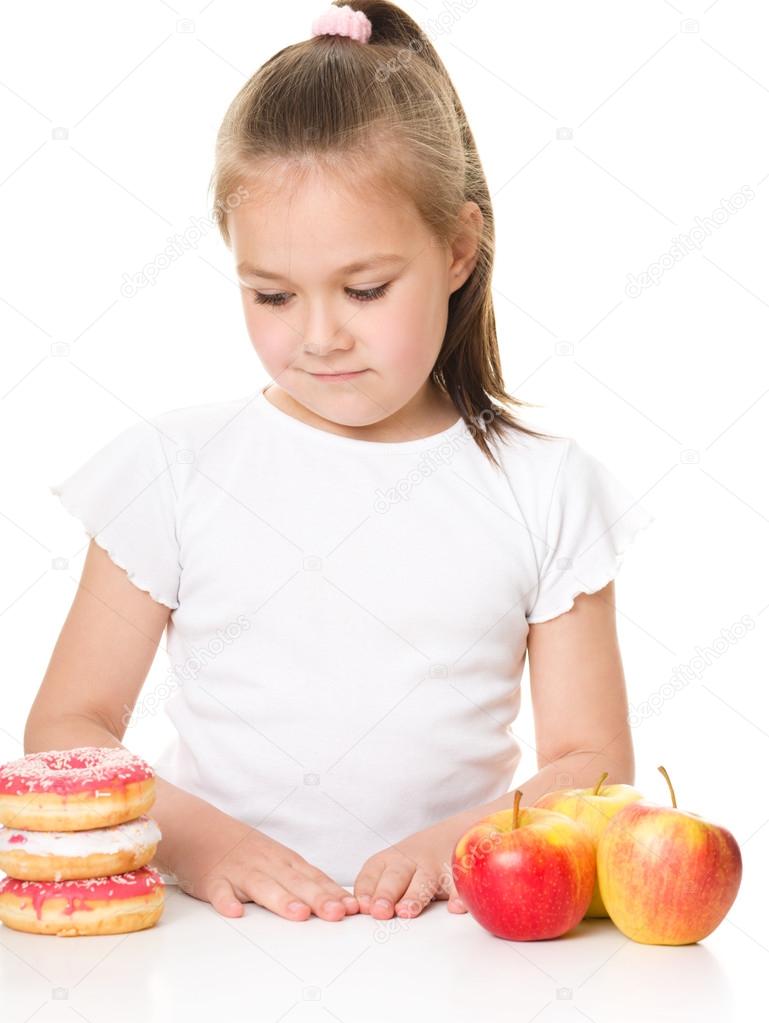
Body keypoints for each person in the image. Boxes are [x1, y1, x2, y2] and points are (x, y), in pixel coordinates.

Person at [27, 1, 655, 925]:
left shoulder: (544, 488)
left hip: (450, 949)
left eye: (364, 289)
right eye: (272, 294)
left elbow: (591, 760)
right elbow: (64, 730)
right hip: (205, 946)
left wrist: (454, 846)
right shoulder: (171, 470)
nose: (319, 336)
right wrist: (209, 846)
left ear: (455, 247)